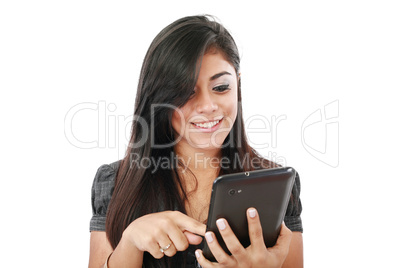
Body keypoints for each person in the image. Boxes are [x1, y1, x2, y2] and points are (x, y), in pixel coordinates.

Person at [89, 15, 303, 268]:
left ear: (238, 84)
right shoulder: (115, 182)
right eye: (185, 92)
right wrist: (129, 244)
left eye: (221, 87)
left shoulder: (274, 183)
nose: (207, 107)